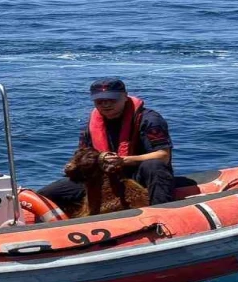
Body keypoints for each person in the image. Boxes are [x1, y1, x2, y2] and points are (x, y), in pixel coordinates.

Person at [38, 77, 176, 208]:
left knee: (154, 165)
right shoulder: (92, 124)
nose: (106, 104)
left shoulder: (149, 120)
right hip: (104, 176)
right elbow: (83, 154)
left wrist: (124, 160)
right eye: (100, 101)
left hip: (137, 175)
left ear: (125, 96)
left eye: (112, 99)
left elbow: (163, 155)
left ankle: (161, 212)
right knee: (48, 194)